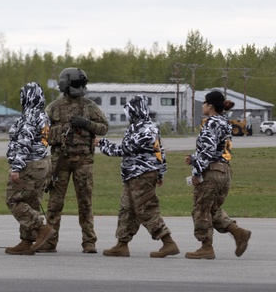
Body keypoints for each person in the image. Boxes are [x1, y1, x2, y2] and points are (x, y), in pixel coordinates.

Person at [98, 95, 179, 258]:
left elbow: (126, 149)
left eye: (128, 111)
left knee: (145, 208)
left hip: (141, 175)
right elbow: (159, 152)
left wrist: (102, 144)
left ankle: (168, 242)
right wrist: (161, 171)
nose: (127, 115)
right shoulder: (141, 127)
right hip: (133, 176)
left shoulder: (145, 129)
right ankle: (122, 244)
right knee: (127, 209)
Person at [43, 67, 108, 253]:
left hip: (83, 162)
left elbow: (104, 128)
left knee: (85, 203)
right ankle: (49, 241)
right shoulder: (53, 107)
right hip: (60, 161)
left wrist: (87, 124)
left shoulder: (89, 106)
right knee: (55, 204)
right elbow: (43, 133)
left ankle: (89, 242)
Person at [183, 90, 252, 259]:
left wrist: (196, 171)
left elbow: (208, 151)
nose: (203, 106)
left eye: (205, 103)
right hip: (224, 170)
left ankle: (206, 247)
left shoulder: (211, 123)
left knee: (200, 209)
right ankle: (238, 233)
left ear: (211, 106)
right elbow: (217, 149)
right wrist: (193, 158)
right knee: (212, 209)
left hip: (212, 172)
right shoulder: (224, 122)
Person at [4, 82, 55, 255]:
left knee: (14, 200)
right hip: (42, 163)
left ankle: (41, 229)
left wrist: (16, 167)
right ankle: (26, 241)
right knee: (31, 202)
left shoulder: (29, 115)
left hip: (29, 164)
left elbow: (24, 142)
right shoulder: (43, 115)